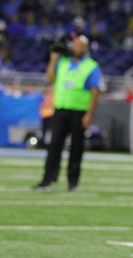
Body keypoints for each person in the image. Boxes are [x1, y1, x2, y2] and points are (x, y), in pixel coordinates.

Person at [33, 34, 101, 192]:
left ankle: (72, 182)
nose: (76, 48)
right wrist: (53, 59)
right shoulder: (63, 62)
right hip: (61, 110)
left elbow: (95, 91)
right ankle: (47, 180)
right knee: (54, 146)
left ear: (85, 49)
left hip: (79, 112)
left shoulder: (91, 66)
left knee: (77, 148)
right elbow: (50, 79)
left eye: (80, 46)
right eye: (75, 45)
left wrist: (89, 114)